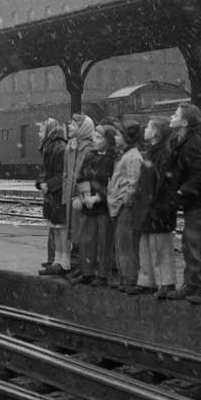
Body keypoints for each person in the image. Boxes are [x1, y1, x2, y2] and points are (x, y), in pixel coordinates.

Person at [165, 103, 201, 305]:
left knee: (200, 246)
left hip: (199, 203)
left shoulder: (192, 144)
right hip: (193, 203)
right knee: (189, 245)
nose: (172, 116)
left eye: (175, 114)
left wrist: (182, 190)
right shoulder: (183, 141)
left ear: (185, 122)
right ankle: (193, 283)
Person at [131, 116, 178, 297]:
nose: (145, 130)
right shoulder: (154, 152)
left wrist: (156, 203)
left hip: (156, 206)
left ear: (156, 132)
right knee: (147, 244)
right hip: (148, 205)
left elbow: (163, 183)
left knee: (160, 247)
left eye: (149, 127)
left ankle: (165, 282)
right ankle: (148, 280)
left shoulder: (163, 153)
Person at [67, 123, 117, 286]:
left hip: (103, 207)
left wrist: (98, 197)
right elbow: (81, 177)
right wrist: (84, 197)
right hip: (89, 205)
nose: (94, 139)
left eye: (98, 137)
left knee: (104, 241)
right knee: (87, 240)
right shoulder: (90, 155)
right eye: (94, 135)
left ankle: (102, 274)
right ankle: (87, 272)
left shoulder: (114, 158)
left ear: (108, 140)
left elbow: (113, 184)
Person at [106, 121, 143, 292]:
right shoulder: (125, 155)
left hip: (124, 207)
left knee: (126, 243)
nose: (115, 137)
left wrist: (124, 201)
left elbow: (133, 183)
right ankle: (125, 276)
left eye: (118, 135)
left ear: (126, 138)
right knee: (121, 243)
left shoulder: (133, 157)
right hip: (119, 205)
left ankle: (130, 278)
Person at [61, 114, 96, 273]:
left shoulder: (88, 149)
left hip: (78, 197)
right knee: (73, 230)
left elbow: (86, 177)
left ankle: (83, 266)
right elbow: (66, 174)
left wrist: (81, 197)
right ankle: (76, 264)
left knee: (81, 230)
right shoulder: (71, 147)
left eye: (73, 125)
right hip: (69, 195)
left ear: (82, 129)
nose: (69, 127)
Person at [36, 118, 69, 275]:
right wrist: (42, 182)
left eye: (41, 130)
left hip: (57, 195)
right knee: (55, 228)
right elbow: (44, 172)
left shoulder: (58, 148)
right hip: (52, 195)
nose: (38, 133)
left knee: (60, 228)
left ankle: (63, 262)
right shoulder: (49, 147)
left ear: (49, 131)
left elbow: (61, 174)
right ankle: (57, 260)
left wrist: (48, 184)